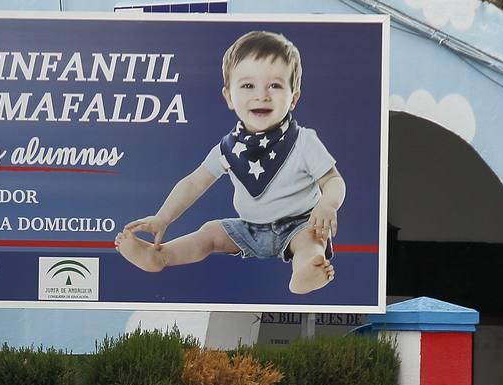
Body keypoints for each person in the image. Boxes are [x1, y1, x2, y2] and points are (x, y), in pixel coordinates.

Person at [115, 30, 346, 295]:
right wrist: (162, 219)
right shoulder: (228, 148)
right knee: (210, 233)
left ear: (293, 97)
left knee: (312, 239)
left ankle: (306, 270)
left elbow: (333, 180)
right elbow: (194, 183)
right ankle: (161, 256)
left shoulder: (304, 141)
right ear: (228, 97)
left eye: (275, 85)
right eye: (248, 86)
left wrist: (327, 204)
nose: (262, 95)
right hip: (247, 228)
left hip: (298, 224)